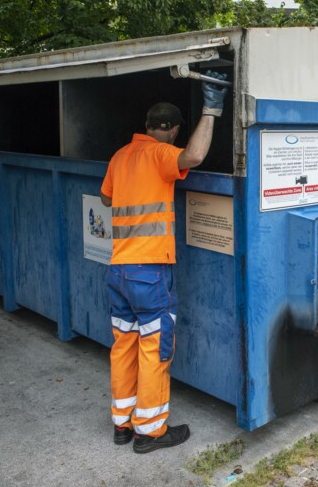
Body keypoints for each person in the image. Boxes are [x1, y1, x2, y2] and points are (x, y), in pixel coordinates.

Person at [99, 71, 227, 454]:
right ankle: (151, 432)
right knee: (155, 347)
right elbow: (196, 156)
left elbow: (107, 199)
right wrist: (212, 109)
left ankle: (122, 425)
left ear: (147, 125)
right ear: (170, 130)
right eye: (174, 132)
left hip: (119, 270)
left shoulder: (121, 156)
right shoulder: (159, 154)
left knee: (123, 345)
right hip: (149, 271)